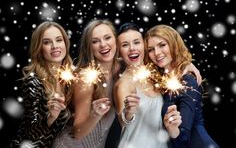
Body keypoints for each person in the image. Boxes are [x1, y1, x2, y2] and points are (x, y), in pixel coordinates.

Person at [144, 24, 220, 148]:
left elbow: (183, 139)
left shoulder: (187, 80)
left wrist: (172, 129)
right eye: (150, 49)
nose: (157, 53)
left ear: (174, 44)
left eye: (162, 45)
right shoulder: (161, 78)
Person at [52, 19, 121, 148]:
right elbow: (78, 133)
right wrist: (95, 114)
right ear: (89, 47)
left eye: (107, 38)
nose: (103, 44)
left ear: (116, 40)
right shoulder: (86, 78)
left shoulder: (122, 66)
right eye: (95, 41)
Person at [114, 23, 182, 148]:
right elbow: (123, 121)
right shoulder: (123, 84)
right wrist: (128, 112)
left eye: (136, 42)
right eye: (125, 45)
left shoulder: (154, 72)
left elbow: (175, 62)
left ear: (144, 46)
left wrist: (188, 65)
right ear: (119, 52)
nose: (132, 48)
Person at [9, 21, 73, 148]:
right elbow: (32, 133)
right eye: (47, 42)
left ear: (65, 43)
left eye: (59, 40)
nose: (55, 46)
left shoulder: (70, 78)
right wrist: (51, 116)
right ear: (39, 48)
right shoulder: (33, 82)